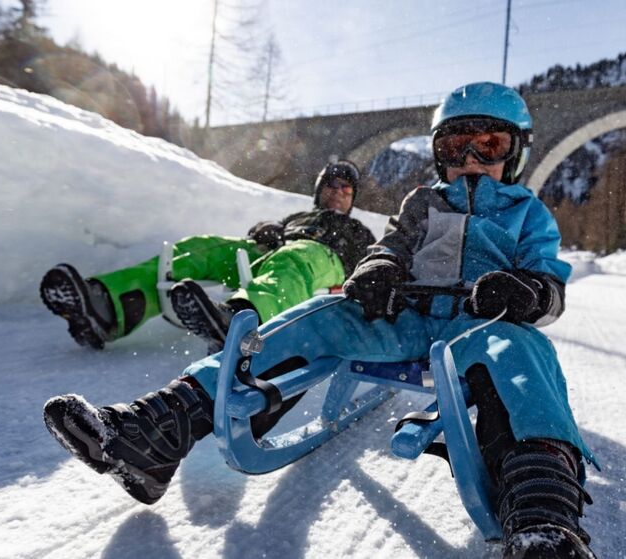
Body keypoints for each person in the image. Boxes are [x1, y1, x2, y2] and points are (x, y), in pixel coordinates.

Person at [42, 83, 597, 559]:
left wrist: (526, 291)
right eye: (456, 145)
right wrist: (377, 270)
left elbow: (549, 285)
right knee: (318, 317)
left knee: (523, 355)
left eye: (490, 144)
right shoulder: (423, 203)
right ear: (438, 153)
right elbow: (391, 247)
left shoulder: (527, 213)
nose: (472, 158)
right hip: (405, 318)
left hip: (481, 326)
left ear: (515, 152)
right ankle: (158, 430)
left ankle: (542, 515)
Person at [39, 160, 376, 352]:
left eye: (346, 189)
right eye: (331, 185)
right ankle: (108, 306)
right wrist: (266, 229)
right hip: (271, 252)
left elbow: (370, 266)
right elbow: (259, 232)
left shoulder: (359, 230)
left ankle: (243, 323)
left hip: (321, 261)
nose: (338, 192)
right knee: (202, 248)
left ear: (352, 198)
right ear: (319, 191)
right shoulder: (295, 218)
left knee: (294, 259)